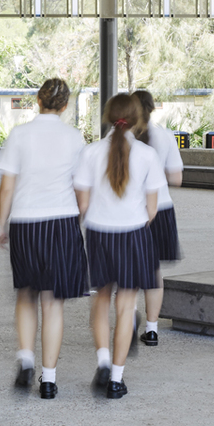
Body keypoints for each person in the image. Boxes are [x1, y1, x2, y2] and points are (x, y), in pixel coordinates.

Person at [0, 77, 89, 398]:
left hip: (25, 222)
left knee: (26, 294)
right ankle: (48, 380)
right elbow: (81, 190)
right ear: (65, 105)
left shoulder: (19, 135)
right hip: (61, 222)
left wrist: (2, 224)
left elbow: (7, 185)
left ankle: (25, 358)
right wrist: (78, 218)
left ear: (38, 99)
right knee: (53, 303)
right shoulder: (74, 138)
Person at [72, 92, 166, 399]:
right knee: (126, 307)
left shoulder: (89, 153)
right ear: (137, 120)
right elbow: (152, 210)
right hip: (134, 234)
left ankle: (102, 360)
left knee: (100, 300)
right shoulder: (147, 155)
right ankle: (116, 378)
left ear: (108, 118)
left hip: (99, 234)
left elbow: (81, 204)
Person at [134, 88, 183, 348]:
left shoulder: (119, 136)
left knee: (125, 268)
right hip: (161, 207)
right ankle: (151, 329)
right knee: (153, 271)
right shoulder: (165, 136)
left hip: (129, 210)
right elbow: (177, 178)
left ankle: (128, 317)